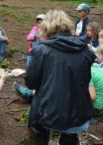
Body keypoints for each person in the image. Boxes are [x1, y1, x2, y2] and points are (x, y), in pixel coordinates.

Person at [25, 10, 96, 145]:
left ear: (46, 28)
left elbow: (30, 83)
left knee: (36, 120)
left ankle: (47, 136)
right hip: (81, 111)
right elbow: (85, 79)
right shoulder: (85, 50)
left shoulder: (42, 50)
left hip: (52, 114)